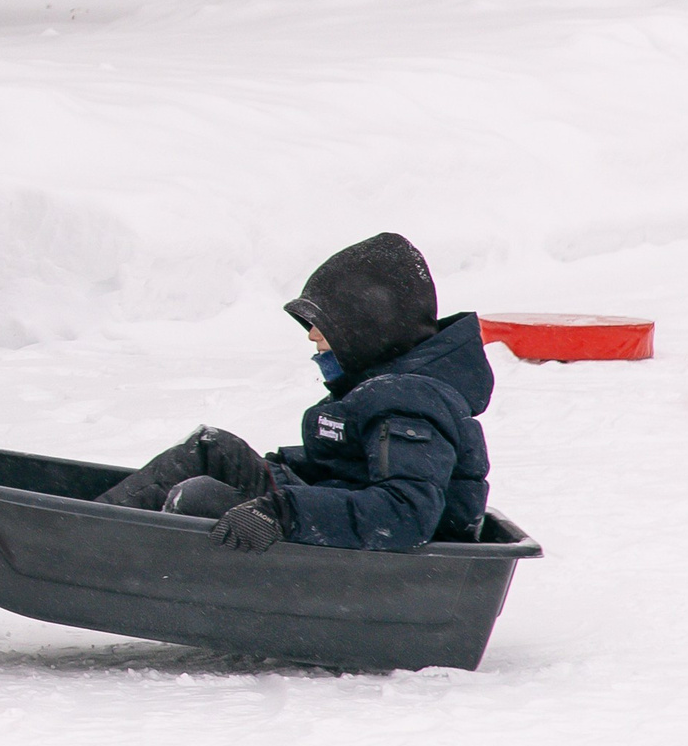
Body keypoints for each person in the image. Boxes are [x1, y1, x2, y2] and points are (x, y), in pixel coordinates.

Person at [96, 233, 492, 553]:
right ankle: (89, 527)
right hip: (345, 529)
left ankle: (104, 558)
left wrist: (282, 510)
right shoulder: (381, 388)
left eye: (326, 323)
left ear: (369, 327)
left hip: (391, 569)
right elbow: (349, 470)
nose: (311, 335)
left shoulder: (410, 404)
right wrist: (284, 474)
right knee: (213, 449)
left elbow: (403, 513)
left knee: (199, 499)